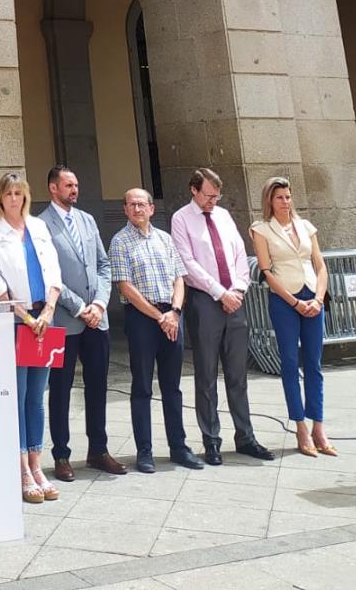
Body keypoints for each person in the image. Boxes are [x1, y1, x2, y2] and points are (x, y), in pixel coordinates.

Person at [170, 167, 273, 465]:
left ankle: (246, 436)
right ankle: (211, 440)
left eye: (217, 195)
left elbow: (240, 253)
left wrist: (238, 289)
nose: (212, 201)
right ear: (194, 189)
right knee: (206, 375)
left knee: (238, 374)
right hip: (205, 301)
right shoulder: (181, 219)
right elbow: (187, 262)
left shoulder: (224, 216)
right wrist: (219, 292)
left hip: (235, 299)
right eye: (207, 195)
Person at [0, 172, 63, 504]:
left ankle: (37, 463)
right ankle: (20, 469)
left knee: (37, 396)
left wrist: (48, 310)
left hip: (45, 318)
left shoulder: (39, 227)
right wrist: (26, 317)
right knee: (18, 392)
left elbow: (53, 270)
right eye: (9, 193)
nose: (14, 199)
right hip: (15, 321)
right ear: (0, 197)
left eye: (19, 193)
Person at [38, 165, 124, 479]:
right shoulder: (41, 225)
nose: (74, 190)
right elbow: (51, 275)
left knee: (98, 385)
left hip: (95, 321)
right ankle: (61, 455)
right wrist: (79, 308)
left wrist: (99, 304)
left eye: (76, 184)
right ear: (52, 188)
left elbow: (103, 264)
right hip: (64, 320)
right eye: (68, 185)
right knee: (60, 389)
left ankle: (98, 450)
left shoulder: (87, 220)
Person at [109, 188, 203, 473]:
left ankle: (178, 447)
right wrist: (159, 316)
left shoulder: (165, 239)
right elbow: (125, 287)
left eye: (142, 204)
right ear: (125, 210)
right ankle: (145, 451)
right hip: (142, 318)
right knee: (142, 386)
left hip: (171, 316)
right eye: (131, 205)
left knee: (172, 387)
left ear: (152, 208)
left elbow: (179, 278)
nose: (137, 209)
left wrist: (173, 312)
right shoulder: (119, 242)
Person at [251, 176, 335, 457]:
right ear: (269, 201)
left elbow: (320, 265)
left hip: (313, 297)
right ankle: (300, 426)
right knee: (289, 363)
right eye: (279, 198)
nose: (285, 202)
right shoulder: (261, 229)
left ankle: (318, 426)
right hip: (284, 301)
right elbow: (266, 271)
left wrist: (319, 297)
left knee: (314, 364)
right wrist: (294, 302)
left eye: (288, 197)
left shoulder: (306, 226)